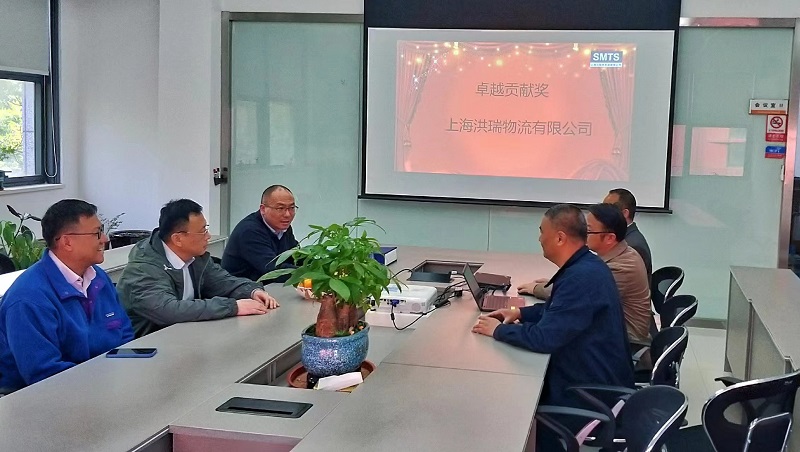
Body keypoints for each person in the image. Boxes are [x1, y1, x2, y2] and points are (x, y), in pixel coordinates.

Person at [472, 204, 634, 410]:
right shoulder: (586, 265)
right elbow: (559, 311)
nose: (539, 239)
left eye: (542, 232)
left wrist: (498, 330)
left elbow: (544, 338)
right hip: (592, 379)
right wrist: (519, 312)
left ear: (559, 238)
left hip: (588, 395)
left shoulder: (580, 277)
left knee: (507, 400)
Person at [0, 199, 134, 391]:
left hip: (103, 383)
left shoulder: (97, 277)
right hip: (41, 396)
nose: (105, 239)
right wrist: (106, 382)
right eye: (97, 233)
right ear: (67, 242)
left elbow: (125, 333)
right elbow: (44, 373)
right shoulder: (28, 298)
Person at [117, 199, 279, 337]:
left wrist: (252, 291)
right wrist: (233, 307)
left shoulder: (195, 257)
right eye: (202, 231)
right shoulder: (143, 269)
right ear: (178, 239)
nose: (208, 236)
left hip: (186, 336)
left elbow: (223, 282)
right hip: (146, 346)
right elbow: (169, 310)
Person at [517, 204, 651, 344]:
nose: (582, 234)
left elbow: (574, 293)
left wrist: (536, 288)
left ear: (610, 238)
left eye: (588, 231)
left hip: (627, 341)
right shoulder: (617, 255)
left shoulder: (623, 267)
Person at [222, 185, 299, 282]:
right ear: (263, 209)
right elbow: (272, 270)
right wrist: (308, 273)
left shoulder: (283, 227)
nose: (287, 214)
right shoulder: (249, 231)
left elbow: (295, 256)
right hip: (241, 287)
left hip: (267, 286)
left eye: (291, 208)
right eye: (280, 208)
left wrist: (315, 264)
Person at [604, 188, 652, 280]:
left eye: (607, 210)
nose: (602, 215)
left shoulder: (634, 246)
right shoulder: (625, 237)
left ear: (624, 213)